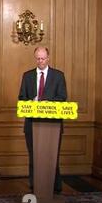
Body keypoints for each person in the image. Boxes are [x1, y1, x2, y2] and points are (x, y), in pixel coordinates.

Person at [18, 46, 67, 193]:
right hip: (32, 124)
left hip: (53, 125)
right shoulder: (27, 76)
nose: (41, 61)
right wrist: (31, 102)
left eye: (43, 58)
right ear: (35, 58)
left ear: (48, 58)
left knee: (52, 156)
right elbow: (21, 98)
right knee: (34, 156)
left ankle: (55, 187)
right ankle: (34, 186)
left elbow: (63, 98)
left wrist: (49, 103)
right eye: (38, 58)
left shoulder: (58, 76)